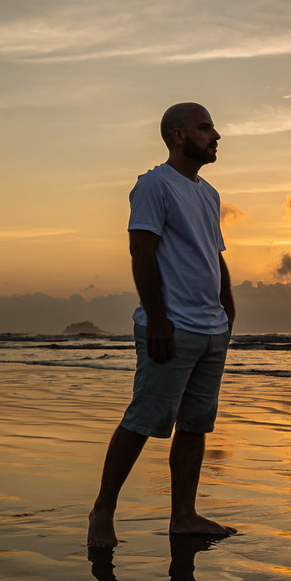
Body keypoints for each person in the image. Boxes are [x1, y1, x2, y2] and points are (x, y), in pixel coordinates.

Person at [87, 102, 238, 547]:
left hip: (212, 328)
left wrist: (228, 309)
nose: (215, 135)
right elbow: (143, 252)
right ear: (178, 136)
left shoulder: (208, 193)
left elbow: (215, 254)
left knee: (196, 424)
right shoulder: (154, 185)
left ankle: (184, 515)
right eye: (205, 127)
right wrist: (156, 318)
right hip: (172, 325)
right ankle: (103, 510)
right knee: (143, 419)